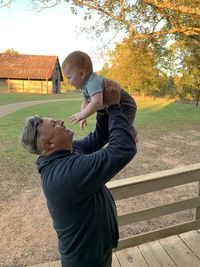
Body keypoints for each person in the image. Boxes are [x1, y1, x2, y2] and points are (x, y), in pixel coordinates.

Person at [19, 87, 137, 267]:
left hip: (94, 249)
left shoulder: (67, 153)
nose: (61, 121)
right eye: (54, 124)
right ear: (49, 144)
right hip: (86, 261)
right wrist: (113, 106)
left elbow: (99, 136)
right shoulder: (66, 174)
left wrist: (101, 103)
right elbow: (122, 149)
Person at [62, 50, 138, 142]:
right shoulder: (84, 86)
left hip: (126, 104)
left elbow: (97, 102)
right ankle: (130, 134)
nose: (68, 81)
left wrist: (82, 115)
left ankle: (131, 136)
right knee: (115, 126)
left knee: (121, 127)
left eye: (69, 77)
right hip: (115, 105)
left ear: (81, 74)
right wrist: (84, 116)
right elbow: (85, 102)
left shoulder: (93, 82)